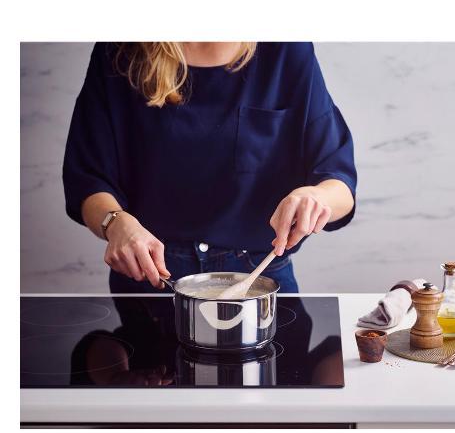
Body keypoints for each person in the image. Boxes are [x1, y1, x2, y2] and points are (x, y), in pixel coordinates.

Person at [63, 42, 357, 293]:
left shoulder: (285, 49)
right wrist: (115, 223)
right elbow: (88, 179)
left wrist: (315, 197)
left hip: (259, 277)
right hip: (150, 277)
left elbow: (339, 183)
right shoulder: (120, 50)